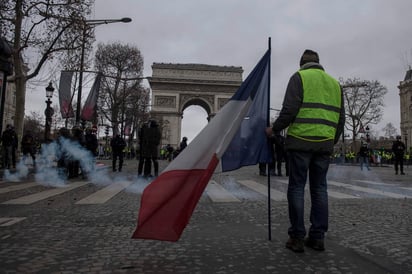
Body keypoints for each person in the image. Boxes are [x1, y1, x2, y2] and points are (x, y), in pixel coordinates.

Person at [266, 49, 345, 253]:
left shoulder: (299, 77)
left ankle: (298, 237)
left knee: (297, 188)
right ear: (319, 63)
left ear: (301, 64)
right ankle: (318, 237)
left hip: (300, 142)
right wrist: (330, 140)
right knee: (320, 189)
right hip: (324, 144)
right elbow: (341, 120)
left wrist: (274, 129)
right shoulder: (335, 84)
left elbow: (289, 110)